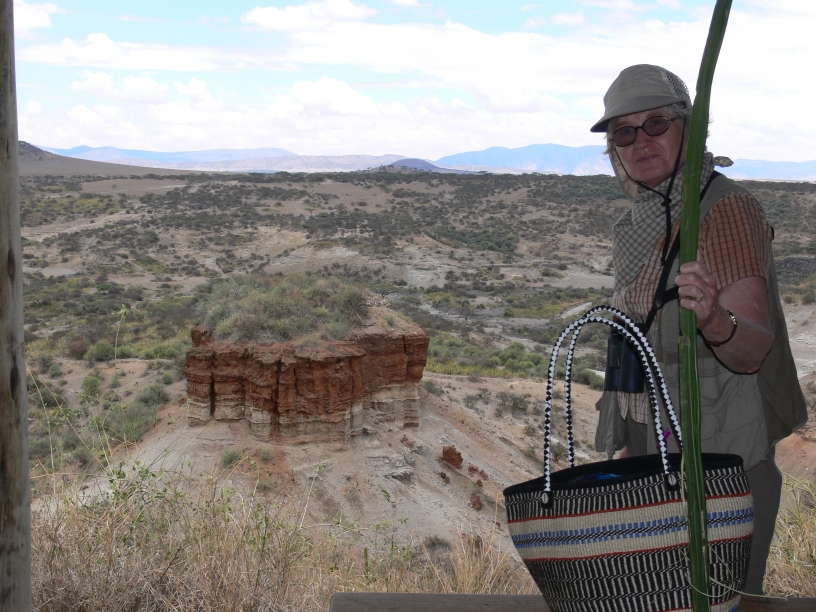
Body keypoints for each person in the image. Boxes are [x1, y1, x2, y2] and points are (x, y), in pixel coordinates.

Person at [591, 64, 807, 595]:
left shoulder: (723, 211)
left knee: (718, 595)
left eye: (656, 124)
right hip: (654, 446)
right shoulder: (643, 220)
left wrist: (712, 319)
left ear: (689, 127)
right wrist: (630, 440)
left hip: (716, 455)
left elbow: (752, 349)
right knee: (656, 595)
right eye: (625, 132)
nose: (641, 141)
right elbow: (639, 333)